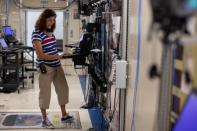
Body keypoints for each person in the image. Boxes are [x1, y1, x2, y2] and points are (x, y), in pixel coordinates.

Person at [31, 9, 73, 128]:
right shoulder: (36, 33)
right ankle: (44, 120)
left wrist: (63, 55)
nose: (51, 22)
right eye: (49, 20)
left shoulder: (50, 32)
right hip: (46, 67)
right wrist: (58, 56)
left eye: (53, 20)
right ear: (43, 19)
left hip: (57, 66)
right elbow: (41, 55)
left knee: (63, 89)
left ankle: (64, 115)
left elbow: (52, 50)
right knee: (45, 93)